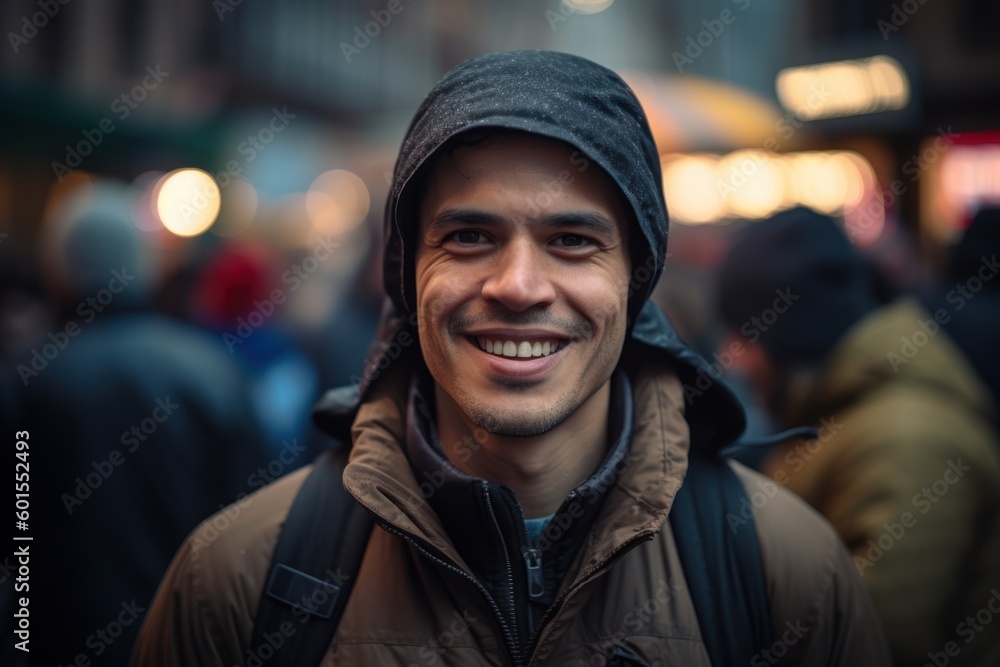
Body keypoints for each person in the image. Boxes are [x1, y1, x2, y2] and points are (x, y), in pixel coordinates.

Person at [131, 51, 890, 666]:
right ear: (407, 274)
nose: (519, 286)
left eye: (571, 240)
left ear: (636, 279)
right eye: (469, 236)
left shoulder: (787, 576)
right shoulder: (234, 580)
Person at [715, 206, 1000, 667]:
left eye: (743, 338)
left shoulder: (904, 439)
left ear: (786, 336)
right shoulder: (848, 416)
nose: (736, 360)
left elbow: (875, 639)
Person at [15, 182, 273, 666]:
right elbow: (259, 524)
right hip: (189, 645)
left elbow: (19, 543)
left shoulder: (36, 379)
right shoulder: (212, 371)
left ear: (60, 270)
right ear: (146, 267)